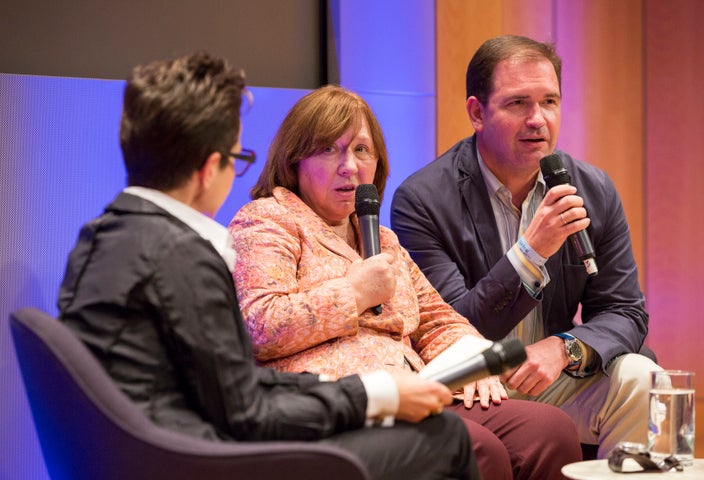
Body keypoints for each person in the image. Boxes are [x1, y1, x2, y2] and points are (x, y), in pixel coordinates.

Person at [56, 52, 482, 480]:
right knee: (446, 438)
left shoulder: (103, 238)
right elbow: (246, 411)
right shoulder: (182, 257)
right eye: (238, 158)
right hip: (199, 460)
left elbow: (232, 384)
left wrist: (374, 390)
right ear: (209, 169)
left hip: (159, 449)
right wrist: (372, 397)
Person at [229, 84, 582, 480]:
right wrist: (353, 293)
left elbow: (436, 320)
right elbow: (258, 325)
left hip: (416, 389)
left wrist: (473, 363)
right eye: (329, 149)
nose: (349, 166)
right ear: (294, 161)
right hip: (335, 401)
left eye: (362, 150)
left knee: (548, 431)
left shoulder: (381, 239)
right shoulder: (267, 219)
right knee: (473, 448)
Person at [390, 34, 660, 459]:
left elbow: (624, 310)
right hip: (471, 383)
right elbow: (453, 329)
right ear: (477, 112)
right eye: (518, 103)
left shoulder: (592, 188)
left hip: (549, 373)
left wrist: (565, 348)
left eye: (549, 102)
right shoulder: (422, 200)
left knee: (644, 377)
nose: (538, 119)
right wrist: (530, 253)